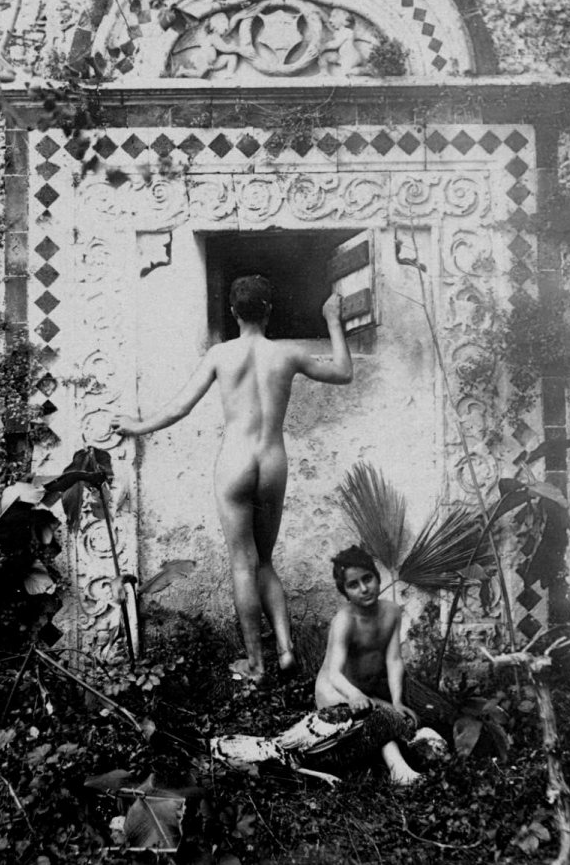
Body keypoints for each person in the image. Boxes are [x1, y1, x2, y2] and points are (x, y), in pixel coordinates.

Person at [111, 275, 353, 685]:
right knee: (265, 562)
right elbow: (344, 372)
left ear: (233, 312)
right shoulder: (288, 354)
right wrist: (332, 319)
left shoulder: (220, 355)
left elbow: (179, 409)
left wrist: (137, 426)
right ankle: (286, 649)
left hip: (235, 462)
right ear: (269, 310)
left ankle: (256, 665)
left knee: (244, 564)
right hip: (272, 462)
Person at [315, 545, 421, 784]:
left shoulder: (391, 612)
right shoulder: (344, 621)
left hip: (365, 693)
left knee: (403, 719)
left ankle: (414, 752)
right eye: (353, 585)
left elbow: (393, 659)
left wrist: (397, 701)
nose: (364, 589)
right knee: (378, 718)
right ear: (344, 592)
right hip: (336, 691)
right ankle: (399, 771)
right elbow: (334, 673)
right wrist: (353, 694)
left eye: (367, 579)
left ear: (377, 577)